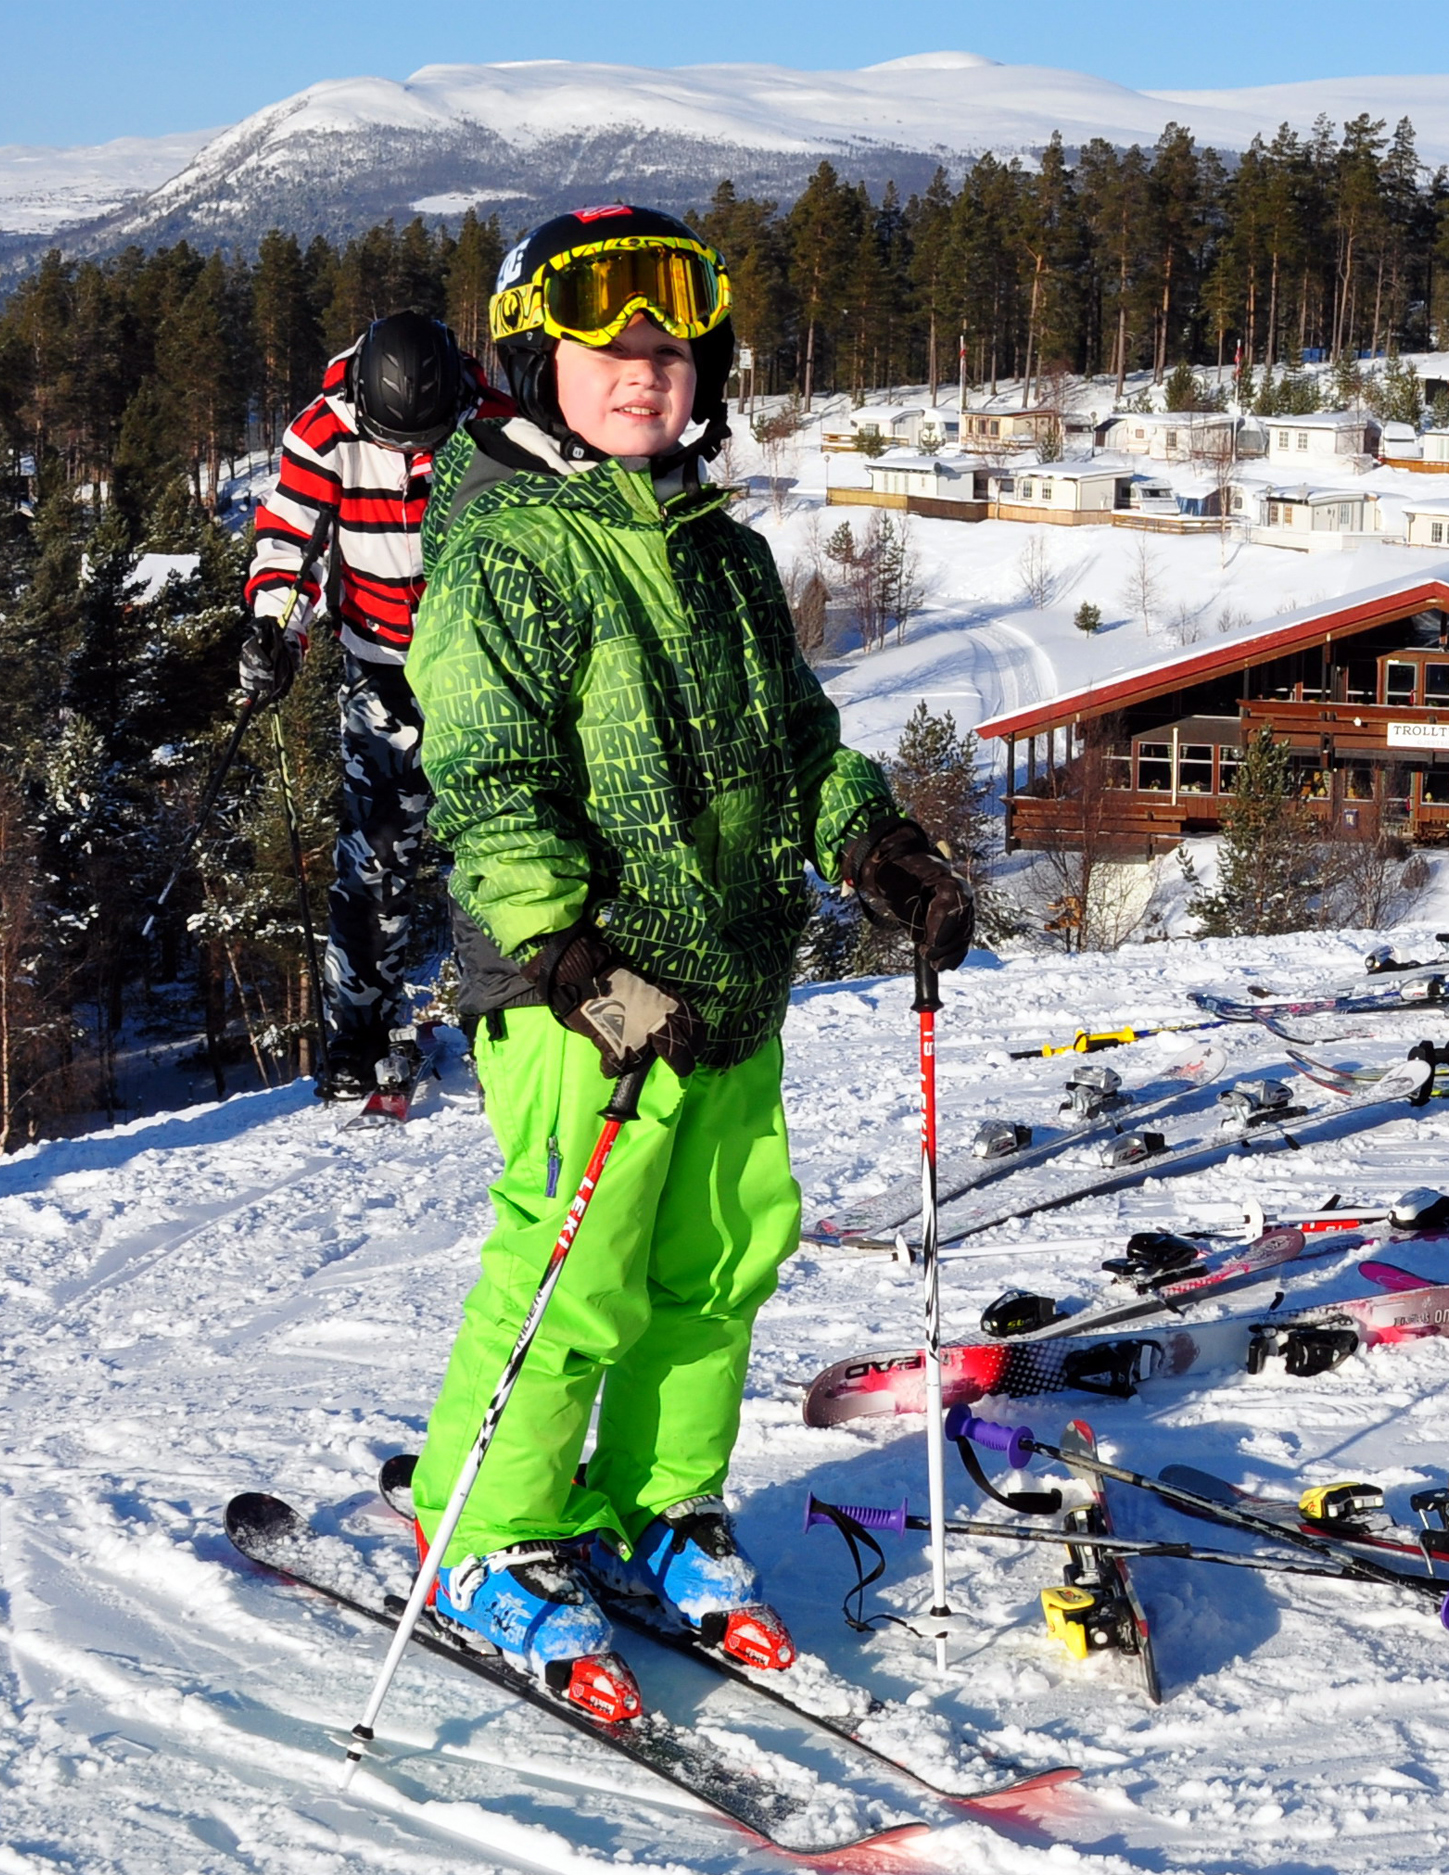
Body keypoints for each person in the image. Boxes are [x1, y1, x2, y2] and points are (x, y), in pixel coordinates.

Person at [402, 204, 971, 1717]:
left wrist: (873, 847)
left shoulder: (717, 550)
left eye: (669, 351)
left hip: (725, 983)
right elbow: (487, 781)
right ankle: (490, 1529)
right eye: (608, 350)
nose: (643, 373)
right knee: (572, 1270)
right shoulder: (500, 549)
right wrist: (572, 958)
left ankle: (656, 1505)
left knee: (719, 1261)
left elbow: (793, 743)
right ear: (534, 362)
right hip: (577, 993)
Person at [242, 312, 513, 1103]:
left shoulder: (494, 424)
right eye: (394, 440)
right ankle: (357, 1039)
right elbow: (290, 539)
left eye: (422, 441)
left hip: (480, 669)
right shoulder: (324, 429)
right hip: (382, 666)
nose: (407, 456)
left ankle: (510, 1026)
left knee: (496, 850)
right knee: (377, 857)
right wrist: (274, 631)